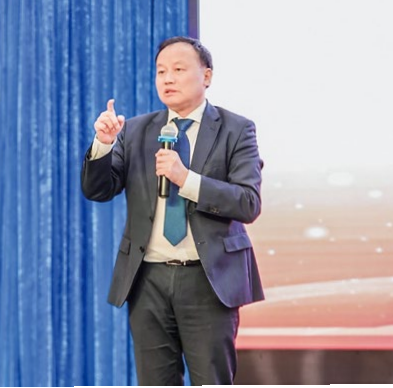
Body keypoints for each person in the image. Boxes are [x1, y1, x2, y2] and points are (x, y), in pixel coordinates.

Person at [81, 36, 265, 385]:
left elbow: (247, 202)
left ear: (206, 76)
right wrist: (103, 145)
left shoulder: (236, 129)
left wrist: (186, 179)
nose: (167, 79)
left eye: (178, 70)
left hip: (208, 279)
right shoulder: (136, 130)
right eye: (161, 71)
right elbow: (98, 190)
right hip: (147, 279)